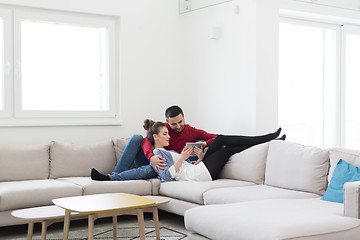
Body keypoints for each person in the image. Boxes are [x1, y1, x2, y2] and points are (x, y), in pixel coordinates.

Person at [91, 105, 218, 181]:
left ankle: (110, 179)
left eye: (180, 122)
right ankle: (114, 175)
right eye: (173, 124)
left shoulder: (192, 131)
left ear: (183, 116)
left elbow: (217, 137)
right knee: (136, 137)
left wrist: (204, 144)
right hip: (152, 160)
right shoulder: (163, 128)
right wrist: (151, 157)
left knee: (152, 170)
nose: (178, 126)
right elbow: (146, 140)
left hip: (165, 166)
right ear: (167, 121)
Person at [146, 119, 282, 182]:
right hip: (195, 176)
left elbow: (185, 168)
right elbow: (165, 177)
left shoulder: (169, 152)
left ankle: (267, 139)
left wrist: (199, 158)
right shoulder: (157, 154)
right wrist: (182, 157)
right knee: (226, 149)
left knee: (221, 140)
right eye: (165, 134)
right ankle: (267, 140)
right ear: (155, 137)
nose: (169, 136)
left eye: (167, 133)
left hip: (196, 170)